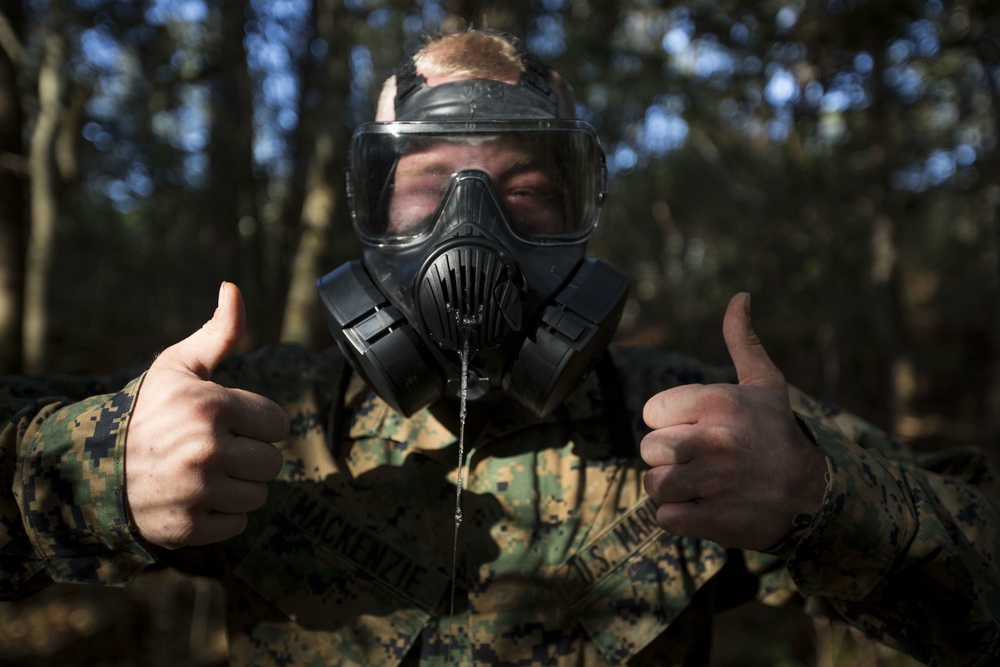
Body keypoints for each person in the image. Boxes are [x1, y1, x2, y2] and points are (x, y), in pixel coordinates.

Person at [2, 29, 998, 667]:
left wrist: (820, 501)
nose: (467, 227)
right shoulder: (266, 415)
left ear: (576, 216)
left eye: (520, 190)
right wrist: (95, 474)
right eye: (427, 185)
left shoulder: (696, 427)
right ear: (371, 213)